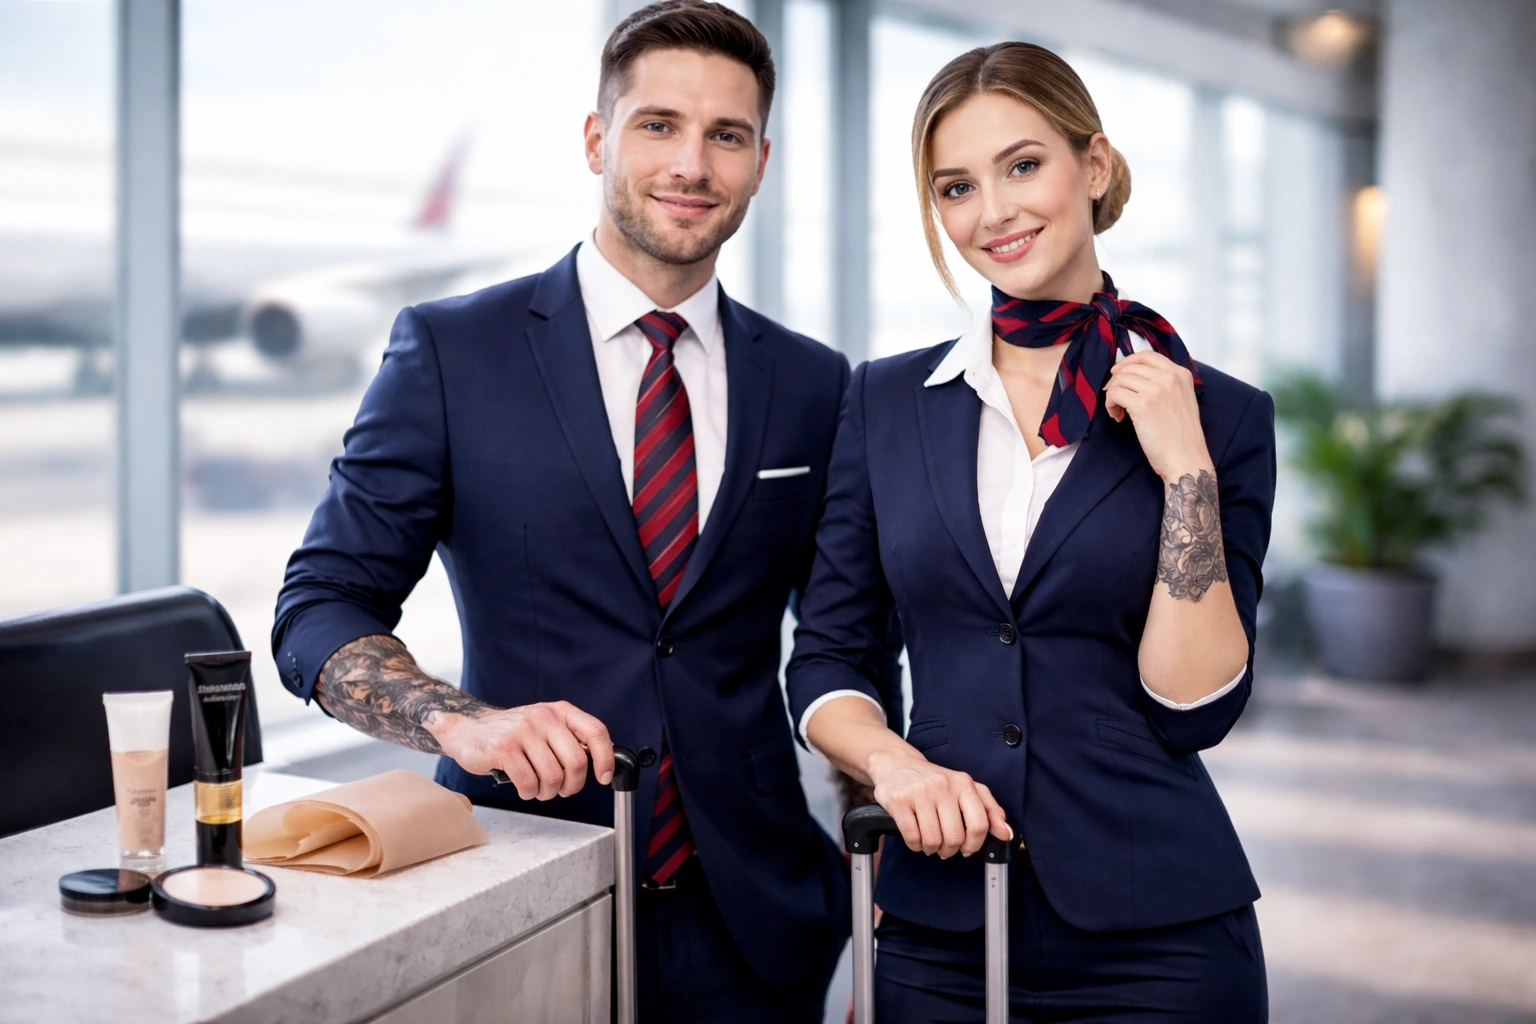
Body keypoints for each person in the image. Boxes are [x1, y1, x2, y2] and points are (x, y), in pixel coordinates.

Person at [273, 3, 898, 1019]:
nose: (692, 162)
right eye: (659, 125)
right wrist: (456, 717)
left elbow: (853, 649)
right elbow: (317, 608)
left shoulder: (817, 384)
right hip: (518, 884)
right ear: (598, 138)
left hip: (754, 917)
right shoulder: (450, 352)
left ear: (761, 159)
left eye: (726, 135)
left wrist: (885, 881)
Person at [788, 41, 1275, 1023]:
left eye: (1023, 165)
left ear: (1091, 167)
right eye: (957, 186)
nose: (994, 211)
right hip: (936, 922)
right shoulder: (886, 401)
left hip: (1160, 937)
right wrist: (895, 761)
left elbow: (1194, 709)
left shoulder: (1218, 415)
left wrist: (1184, 471)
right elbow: (831, 655)